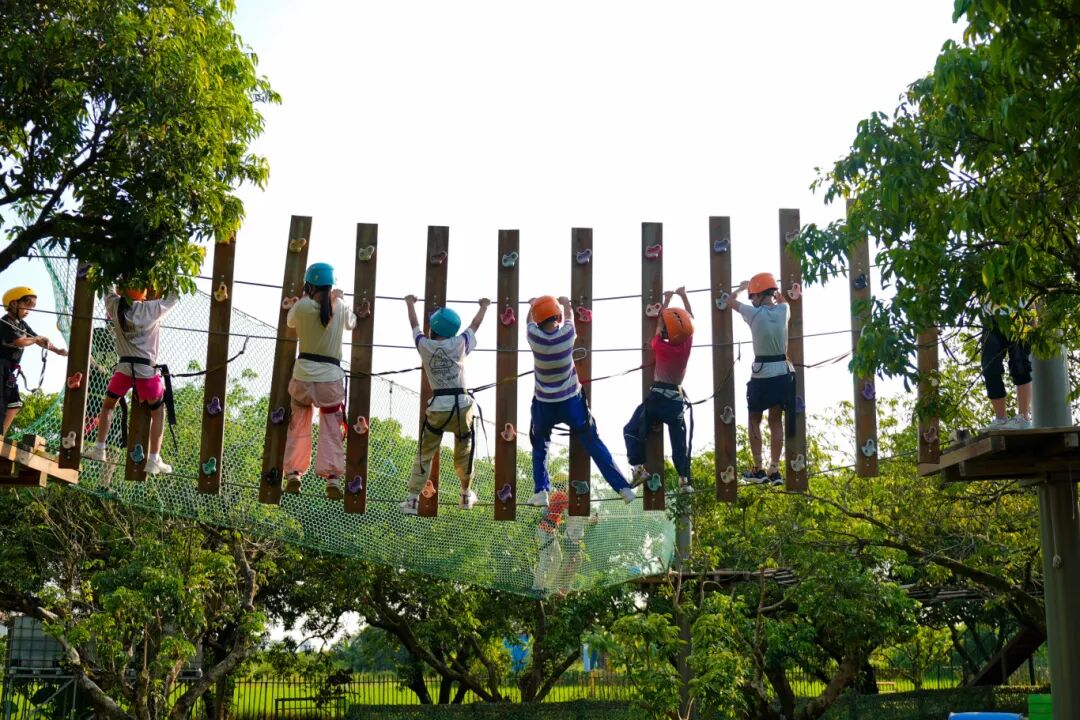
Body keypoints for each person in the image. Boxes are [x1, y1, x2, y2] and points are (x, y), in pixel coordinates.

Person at [527, 295, 635, 506]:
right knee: (592, 441)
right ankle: (623, 488)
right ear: (557, 316)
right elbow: (569, 316)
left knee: (540, 445)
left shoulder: (534, 338)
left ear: (537, 320)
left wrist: (532, 306)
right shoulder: (567, 334)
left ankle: (541, 491)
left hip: (544, 404)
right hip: (571, 402)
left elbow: (529, 322)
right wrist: (566, 303)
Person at [398, 295, 490, 515]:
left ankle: (412, 499)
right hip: (461, 406)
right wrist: (484, 307)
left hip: (439, 407)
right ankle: (465, 494)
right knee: (464, 450)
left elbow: (414, 325)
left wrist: (410, 304)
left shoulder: (425, 345)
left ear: (434, 329)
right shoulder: (459, 343)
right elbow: (474, 325)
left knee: (425, 452)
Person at [282, 263, 356, 499]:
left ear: (309, 286)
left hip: (303, 378)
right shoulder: (340, 307)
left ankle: (293, 473)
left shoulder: (302, 306)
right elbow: (352, 323)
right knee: (331, 428)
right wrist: (341, 299)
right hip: (330, 381)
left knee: (298, 424)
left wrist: (302, 298)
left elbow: (290, 321)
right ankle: (332, 477)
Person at [87, 287, 178, 474]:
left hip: (124, 369)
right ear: (143, 293)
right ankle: (153, 459)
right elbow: (174, 296)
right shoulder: (151, 308)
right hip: (147, 371)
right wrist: (169, 279)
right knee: (157, 413)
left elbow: (107, 288)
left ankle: (99, 448)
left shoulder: (116, 305)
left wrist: (116, 278)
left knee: (108, 406)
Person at [623, 286, 695, 493]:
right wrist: (684, 296)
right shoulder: (686, 345)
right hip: (675, 401)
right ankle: (684, 479)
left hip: (657, 400)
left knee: (631, 429)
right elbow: (689, 319)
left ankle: (638, 467)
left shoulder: (660, 346)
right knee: (679, 442)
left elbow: (660, 323)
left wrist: (667, 299)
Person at [726, 273, 793, 485]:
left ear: (759, 295)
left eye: (752, 295)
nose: (751, 299)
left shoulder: (753, 313)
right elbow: (783, 300)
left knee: (754, 419)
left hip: (762, 374)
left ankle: (758, 468)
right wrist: (778, 294)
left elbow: (729, 301)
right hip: (782, 373)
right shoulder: (784, 310)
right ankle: (775, 469)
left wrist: (740, 288)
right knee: (776, 420)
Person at [0, 287, 68, 436]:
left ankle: (1, 435)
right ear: (13, 304)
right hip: (1, 365)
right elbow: (20, 341)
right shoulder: (5, 322)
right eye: (26, 306)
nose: (28, 311)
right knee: (2, 401)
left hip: (10, 369)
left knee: (15, 403)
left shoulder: (22, 325)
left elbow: (37, 339)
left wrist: (57, 350)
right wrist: (36, 339)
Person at [979, 303, 1032, 431]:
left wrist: (1032, 318)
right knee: (989, 366)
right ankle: (1000, 419)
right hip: (991, 317)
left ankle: (1023, 418)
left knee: (1020, 365)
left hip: (1018, 312)